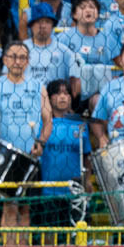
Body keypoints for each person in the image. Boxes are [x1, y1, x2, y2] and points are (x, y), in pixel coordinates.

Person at [0, 41, 52, 244]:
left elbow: (48, 120)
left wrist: (41, 142)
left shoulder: (38, 87)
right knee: (9, 206)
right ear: (5, 60)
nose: (17, 61)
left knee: (26, 208)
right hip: (5, 155)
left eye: (22, 57)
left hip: (31, 156)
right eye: (12, 57)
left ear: (28, 61)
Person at [39, 79, 91, 227]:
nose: (62, 97)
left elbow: (87, 156)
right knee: (50, 235)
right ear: (49, 98)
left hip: (74, 191)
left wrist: (87, 180)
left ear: (71, 98)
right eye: (57, 93)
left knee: (76, 234)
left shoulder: (80, 124)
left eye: (66, 93)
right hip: (49, 191)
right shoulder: (42, 125)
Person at [22, 3, 78, 89]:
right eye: (38, 21)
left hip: (54, 95)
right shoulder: (20, 49)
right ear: (31, 25)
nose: (43, 26)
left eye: (47, 22)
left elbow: (75, 82)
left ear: (53, 26)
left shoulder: (64, 51)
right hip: (27, 95)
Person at [57, 0, 115, 66]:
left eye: (91, 7)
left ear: (98, 14)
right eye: (82, 7)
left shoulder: (109, 40)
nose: (88, 10)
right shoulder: (63, 39)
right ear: (74, 14)